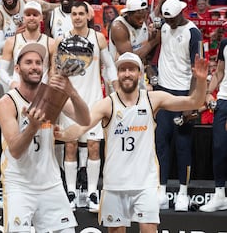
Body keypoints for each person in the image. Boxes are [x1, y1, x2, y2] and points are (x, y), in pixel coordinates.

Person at [56, 52, 208, 233]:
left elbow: (194, 101)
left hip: (145, 182)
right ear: (117, 74)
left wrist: (200, 80)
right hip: (115, 184)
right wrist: (64, 134)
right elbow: (82, 126)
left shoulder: (153, 99)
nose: (127, 73)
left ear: (139, 72)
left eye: (131, 69)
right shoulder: (107, 104)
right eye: (122, 69)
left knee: (149, 229)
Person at [0, 42, 91, 232]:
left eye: (38, 63)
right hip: (19, 184)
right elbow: (14, 150)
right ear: (17, 68)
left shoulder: (52, 95)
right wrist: (32, 127)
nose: (34, 67)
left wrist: (72, 92)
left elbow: (85, 119)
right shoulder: (7, 102)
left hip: (50, 182)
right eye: (28, 62)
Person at [57, 1, 118, 212]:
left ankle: (92, 192)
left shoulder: (98, 38)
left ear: (88, 16)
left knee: (93, 147)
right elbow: (56, 72)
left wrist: (116, 91)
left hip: (93, 101)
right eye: (74, 14)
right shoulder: (62, 40)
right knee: (70, 146)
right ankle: (71, 192)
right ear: (70, 16)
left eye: (81, 14)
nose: (77, 17)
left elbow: (109, 68)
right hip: (69, 103)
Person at [156, 0, 203, 211]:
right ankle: (161, 190)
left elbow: (198, 71)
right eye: (167, 19)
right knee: (161, 144)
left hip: (183, 93)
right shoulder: (164, 26)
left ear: (181, 13)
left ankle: (183, 193)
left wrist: (191, 103)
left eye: (173, 19)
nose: (170, 23)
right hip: (162, 93)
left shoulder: (194, 33)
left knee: (183, 146)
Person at [0, 1, 55, 93]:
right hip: (18, 92)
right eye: (28, 15)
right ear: (23, 18)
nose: (31, 18)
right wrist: (11, 82)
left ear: (41, 18)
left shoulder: (51, 43)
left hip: (40, 95)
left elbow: (53, 72)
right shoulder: (12, 41)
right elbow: (1, 70)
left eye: (35, 15)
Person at [200, 38, 227, 212]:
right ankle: (219, 195)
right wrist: (208, 93)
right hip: (224, 100)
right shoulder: (224, 44)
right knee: (219, 147)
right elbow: (219, 72)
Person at [109, 0, 160, 66]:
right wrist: (154, 41)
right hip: (120, 73)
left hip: (138, 71)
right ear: (128, 14)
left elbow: (145, 50)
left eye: (144, 17)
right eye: (138, 18)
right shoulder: (119, 27)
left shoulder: (142, 21)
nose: (141, 21)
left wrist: (152, 37)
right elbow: (129, 59)